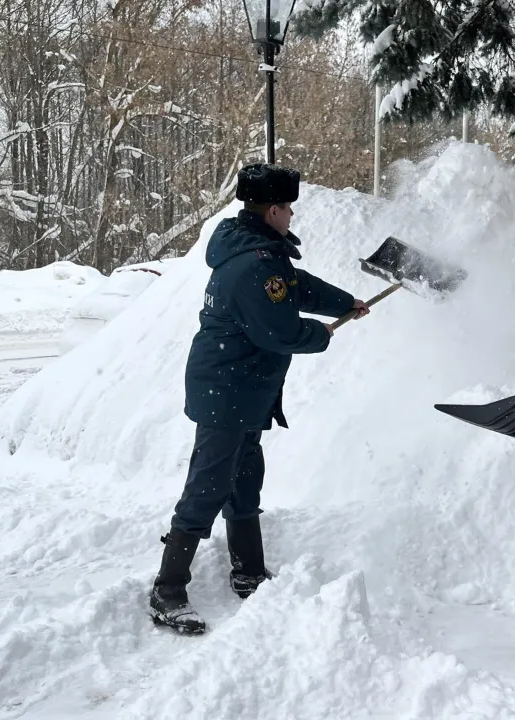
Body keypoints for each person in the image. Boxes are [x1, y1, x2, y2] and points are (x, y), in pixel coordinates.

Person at [149, 163, 368, 634]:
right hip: (227, 390)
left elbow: (295, 288)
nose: (291, 215)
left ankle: (248, 570)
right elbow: (279, 329)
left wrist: (345, 302)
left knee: (246, 474)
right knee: (208, 485)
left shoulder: (258, 253)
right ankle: (167, 590)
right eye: (287, 208)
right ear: (273, 210)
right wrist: (320, 333)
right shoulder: (254, 264)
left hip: (241, 387)